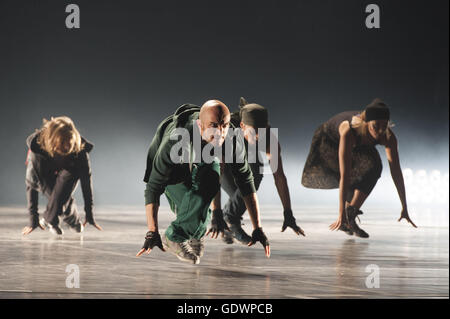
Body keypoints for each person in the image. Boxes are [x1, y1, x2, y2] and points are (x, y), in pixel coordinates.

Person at [136, 100, 271, 264]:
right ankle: (173, 237)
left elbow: (246, 181)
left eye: (224, 125)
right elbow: (153, 187)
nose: (220, 131)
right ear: (200, 125)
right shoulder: (175, 139)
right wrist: (152, 231)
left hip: (203, 159)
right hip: (175, 170)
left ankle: (192, 233)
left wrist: (258, 228)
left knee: (204, 194)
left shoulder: (231, 138)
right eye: (214, 125)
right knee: (189, 205)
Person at [301, 98, 417, 238]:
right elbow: (345, 175)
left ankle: (351, 214)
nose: (380, 131)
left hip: (359, 146)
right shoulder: (349, 131)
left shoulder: (388, 137)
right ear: (366, 123)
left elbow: (396, 171)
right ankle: (346, 215)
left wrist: (404, 206)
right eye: (376, 126)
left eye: (384, 125)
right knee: (352, 172)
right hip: (329, 141)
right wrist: (340, 214)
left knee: (375, 166)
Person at [212, 97, 305, 246]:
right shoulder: (224, 133)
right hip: (222, 163)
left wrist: (288, 213)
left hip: (242, 162)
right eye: (254, 133)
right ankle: (229, 219)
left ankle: (230, 220)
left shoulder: (269, 140)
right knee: (241, 188)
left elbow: (279, 177)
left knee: (255, 170)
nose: (258, 137)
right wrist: (215, 212)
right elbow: (214, 175)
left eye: (262, 132)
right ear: (242, 126)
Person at [22, 116, 102, 236]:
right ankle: (62, 220)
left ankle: (50, 219)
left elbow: (86, 183)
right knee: (53, 193)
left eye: (69, 142)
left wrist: (89, 215)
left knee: (61, 192)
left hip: (68, 170)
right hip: (45, 170)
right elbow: (31, 185)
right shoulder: (37, 150)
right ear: (52, 142)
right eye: (62, 143)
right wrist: (33, 219)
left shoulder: (79, 152)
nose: (66, 147)